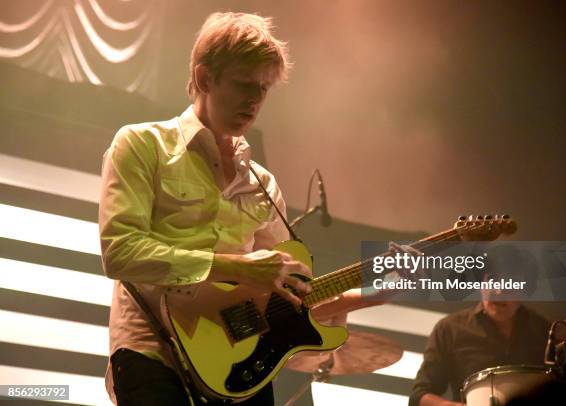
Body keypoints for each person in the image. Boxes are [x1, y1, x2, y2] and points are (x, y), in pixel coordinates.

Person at [98, 12, 386, 405]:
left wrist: (368, 293)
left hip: (240, 366)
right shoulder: (141, 144)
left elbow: (288, 297)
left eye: (264, 89)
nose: (255, 100)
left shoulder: (263, 184)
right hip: (153, 353)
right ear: (204, 78)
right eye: (244, 85)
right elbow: (121, 252)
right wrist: (238, 266)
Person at [409, 245, 566, 406]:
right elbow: (419, 396)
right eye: (493, 280)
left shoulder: (547, 330)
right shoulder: (449, 329)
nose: (499, 292)